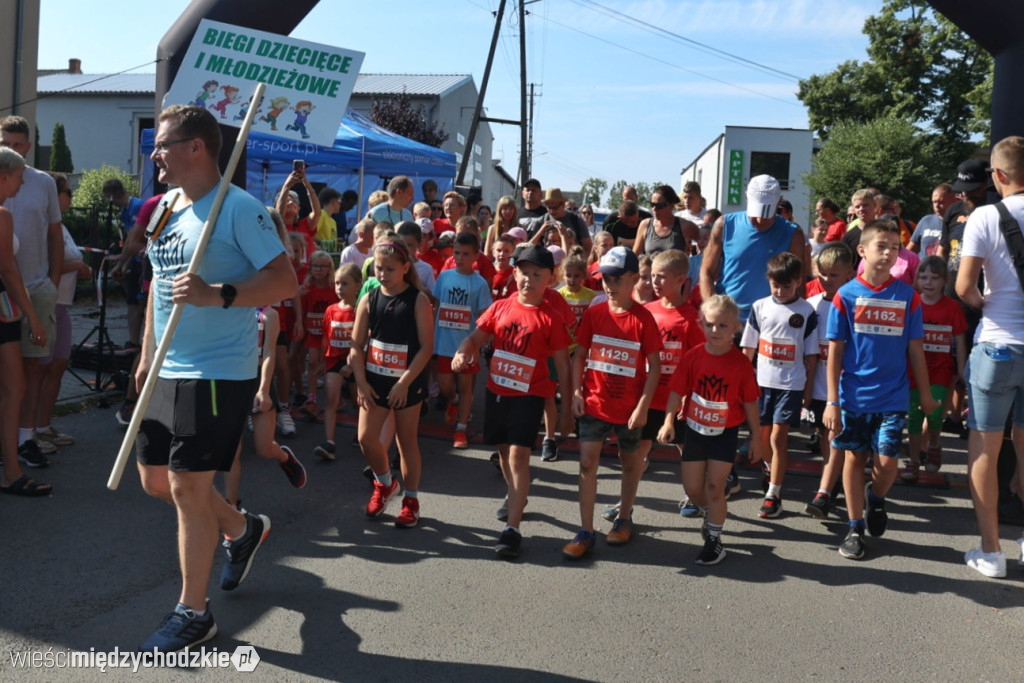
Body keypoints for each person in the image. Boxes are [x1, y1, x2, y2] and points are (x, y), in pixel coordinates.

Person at [135, 105, 297, 651]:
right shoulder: (162, 210)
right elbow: (159, 286)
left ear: (196, 147)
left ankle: (193, 612)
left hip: (216, 371)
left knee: (186, 486)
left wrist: (219, 294)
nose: (154, 154)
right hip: (165, 365)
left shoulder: (239, 209)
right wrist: (145, 352)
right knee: (156, 482)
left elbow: (285, 281)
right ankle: (241, 528)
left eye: (161, 144)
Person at [823, 219, 937, 561]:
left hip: (893, 397)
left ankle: (877, 498)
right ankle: (855, 527)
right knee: (855, 458)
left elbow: (916, 350)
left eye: (895, 247)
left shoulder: (908, 296)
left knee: (887, 464)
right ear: (862, 250)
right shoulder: (846, 295)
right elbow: (835, 352)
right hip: (853, 397)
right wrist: (832, 401)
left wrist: (927, 395)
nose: (889, 253)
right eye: (881, 246)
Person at [452, 244, 572, 558]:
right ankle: (516, 493)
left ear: (550, 278)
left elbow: (563, 366)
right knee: (504, 452)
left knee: (519, 456)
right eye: (523, 272)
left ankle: (512, 529)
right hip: (497, 391)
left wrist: (569, 407)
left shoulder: (551, 317)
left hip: (530, 394)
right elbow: (476, 337)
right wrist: (463, 351)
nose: (528, 280)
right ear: (514, 273)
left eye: (537, 274)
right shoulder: (501, 307)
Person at [562, 246, 662, 559]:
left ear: (634, 278)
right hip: (594, 402)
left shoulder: (644, 318)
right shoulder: (594, 311)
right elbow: (580, 353)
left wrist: (643, 405)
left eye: (617, 278)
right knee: (587, 462)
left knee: (630, 461)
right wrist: (577, 392)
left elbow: (655, 365)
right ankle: (586, 530)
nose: (609, 284)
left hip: (629, 408)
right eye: (605, 277)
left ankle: (624, 517)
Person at [955, 136, 1024, 578]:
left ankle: (992, 552)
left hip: (998, 343)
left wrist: (987, 305)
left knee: (984, 448)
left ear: (998, 175)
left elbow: (963, 287)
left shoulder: (983, 216)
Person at [658, 294, 765, 565]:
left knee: (716, 486)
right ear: (701, 325)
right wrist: (669, 420)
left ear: (735, 329)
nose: (715, 331)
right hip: (695, 430)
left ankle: (715, 540)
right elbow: (677, 391)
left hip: (725, 433)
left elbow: (750, 402)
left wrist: (756, 437)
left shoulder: (740, 363)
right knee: (693, 489)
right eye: (709, 325)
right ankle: (709, 512)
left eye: (722, 326)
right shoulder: (692, 357)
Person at [604, 249, 704, 521]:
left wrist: (689, 397)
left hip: (678, 401)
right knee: (637, 455)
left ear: (682, 278)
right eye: (650, 277)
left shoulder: (692, 317)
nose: (654, 283)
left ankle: (697, 497)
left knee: (689, 453)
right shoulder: (646, 311)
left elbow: (697, 363)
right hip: (647, 399)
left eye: (661, 277)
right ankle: (625, 504)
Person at [349, 237, 434, 527]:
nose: (382, 274)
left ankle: (411, 501)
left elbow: (426, 348)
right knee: (366, 439)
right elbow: (356, 346)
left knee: (406, 441)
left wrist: (404, 383)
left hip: (407, 382)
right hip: (374, 380)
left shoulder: (418, 300)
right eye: (378, 268)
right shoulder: (368, 297)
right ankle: (385, 484)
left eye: (389, 269)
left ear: (405, 267)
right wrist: (361, 382)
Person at [1, 116, 63, 468]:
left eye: (17, 143)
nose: (11, 148)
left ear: (28, 144)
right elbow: (7, 266)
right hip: (8, 292)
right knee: (11, 379)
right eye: (4, 141)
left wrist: (52, 281)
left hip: (35, 286)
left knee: (31, 369)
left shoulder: (40, 182)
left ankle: (24, 440)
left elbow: (55, 232)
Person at [739, 252, 819, 519]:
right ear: (769, 281)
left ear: (798, 281)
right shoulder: (760, 306)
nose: (781, 291)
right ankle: (769, 468)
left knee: (777, 437)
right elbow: (748, 348)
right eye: (776, 285)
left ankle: (774, 494)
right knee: (761, 440)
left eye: (787, 285)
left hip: (791, 385)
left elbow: (810, 356)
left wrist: (807, 392)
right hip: (761, 385)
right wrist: (740, 382)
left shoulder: (806, 311)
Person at [222, 302, 307, 509]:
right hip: (229, 382)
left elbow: (269, 354)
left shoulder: (269, 314)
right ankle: (232, 508)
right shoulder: (223, 309)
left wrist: (264, 389)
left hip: (257, 380)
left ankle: (284, 457)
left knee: (264, 448)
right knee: (230, 453)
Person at [0, 147, 50, 495]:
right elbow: (8, 270)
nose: (21, 182)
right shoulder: (2, 216)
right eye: (18, 176)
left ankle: (12, 471)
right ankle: (12, 474)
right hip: (3, 309)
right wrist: (33, 316)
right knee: (14, 390)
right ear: (4, 176)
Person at [700, 175, 805, 325]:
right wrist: (712, 310)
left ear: (779, 203)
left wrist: (798, 322)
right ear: (746, 199)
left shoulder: (793, 233)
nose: (760, 220)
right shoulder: (724, 224)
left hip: (773, 321)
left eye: (767, 214)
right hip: (728, 320)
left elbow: (798, 283)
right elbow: (706, 271)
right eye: (756, 213)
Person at [34, 173, 91, 451]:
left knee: (57, 367)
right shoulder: (43, 226)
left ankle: (44, 426)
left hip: (64, 305)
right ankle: (29, 430)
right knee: (39, 370)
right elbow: (44, 267)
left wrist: (81, 270)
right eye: (67, 191)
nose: (71, 196)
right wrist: (78, 268)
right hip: (49, 306)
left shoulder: (62, 227)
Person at [901, 256, 966, 482]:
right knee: (914, 417)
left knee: (936, 413)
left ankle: (935, 444)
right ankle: (914, 460)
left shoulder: (952, 308)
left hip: (941, 370)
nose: (928, 282)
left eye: (934, 278)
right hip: (913, 370)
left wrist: (961, 368)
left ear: (945, 281)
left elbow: (959, 338)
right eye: (923, 276)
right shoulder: (912, 303)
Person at [802, 243, 855, 519]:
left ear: (850, 273)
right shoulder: (811, 306)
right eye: (822, 274)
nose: (826, 280)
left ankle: (829, 488)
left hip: (846, 389)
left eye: (834, 275)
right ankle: (832, 480)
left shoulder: (855, 303)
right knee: (826, 436)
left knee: (838, 436)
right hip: (819, 387)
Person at [433, 232, 492, 448]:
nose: (460, 257)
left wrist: (480, 342)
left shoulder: (480, 284)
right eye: (457, 253)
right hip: (443, 343)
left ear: (476, 256)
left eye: (466, 254)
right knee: (445, 386)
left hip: (467, 344)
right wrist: (431, 334)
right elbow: (437, 306)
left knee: (466, 387)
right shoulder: (444, 277)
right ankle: (454, 401)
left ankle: (461, 430)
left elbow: (485, 316)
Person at [314, 263, 361, 460]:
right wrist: (322, 361)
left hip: (355, 363)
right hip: (334, 360)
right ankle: (329, 442)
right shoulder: (331, 310)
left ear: (357, 285)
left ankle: (362, 434)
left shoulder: (360, 309)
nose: (339, 288)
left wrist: (352, 365)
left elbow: (364, 340)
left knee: (359, 402)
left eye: (345, 283)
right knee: (331, 399)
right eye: (337, 284)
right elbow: (326, 337)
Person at [104, 178, 145, 347]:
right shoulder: (125, 211)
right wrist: (125, 264)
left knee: (142, 302)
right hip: (135, 259)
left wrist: (120, 264)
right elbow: (129, 243)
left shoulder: (137, 207)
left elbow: (132, 239)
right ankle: (133, 341)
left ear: (112, 197)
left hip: (144, 259)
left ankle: (144, 342)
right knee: (132, 301)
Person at [298, 251, 339, 418]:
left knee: (329, 365)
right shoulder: (307, 288)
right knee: (313, 362)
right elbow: (301, 310)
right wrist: (299, 324)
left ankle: (337, 398)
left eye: (323, 266)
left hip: (330, 334)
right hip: (313, 333)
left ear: (330, 268)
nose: (319, 270)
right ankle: (311, 400)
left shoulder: (333, 288)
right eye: (315, 266)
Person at [275, 164, 321, 272]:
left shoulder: (305, 225)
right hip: (285, 273)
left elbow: (317, 212)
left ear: (299, 208)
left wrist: (306, 183)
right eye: (287, 201)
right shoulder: (277, 226)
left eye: (294, 201)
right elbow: (279, 215)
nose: (291, 202)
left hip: (308, 275)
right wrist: (287, 186)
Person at [634, 185, 698, 258]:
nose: (654, 209)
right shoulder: (645, 224)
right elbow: (634, 255)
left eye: (659, 206)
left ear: (671, 205)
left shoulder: (685, 226)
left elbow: (707, 244)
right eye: (652, 205)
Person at [526, 188, 592, 255]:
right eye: (549, 207)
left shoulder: (576, 220)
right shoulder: (542, 221)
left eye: (555, 207)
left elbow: (588, 247)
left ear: (563, 205)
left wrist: (579, 263)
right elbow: (530, 247)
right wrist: (541, 231)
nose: (552, 211)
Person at [908, 184, 954, 256]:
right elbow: (910, 251)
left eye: (941, 202)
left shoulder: (959, 223)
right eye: (934, 202)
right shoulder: (926, 221)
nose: (937, 206)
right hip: (923, 266)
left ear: (953, 201)